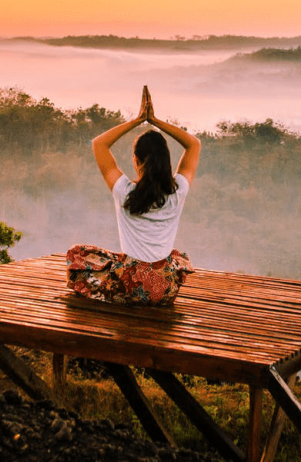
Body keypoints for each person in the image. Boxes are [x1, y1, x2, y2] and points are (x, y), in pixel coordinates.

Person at [66, 87, 201, 305]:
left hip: (128, 285)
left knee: (76, 254)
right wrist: (155, 121)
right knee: (176, 257)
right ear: (166, 162)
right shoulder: (178, 192)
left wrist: (138, 120)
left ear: (136, 161)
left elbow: (99, 144)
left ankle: (115, 295)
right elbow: (193, 144)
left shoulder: (124, 191)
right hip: (163, 291)